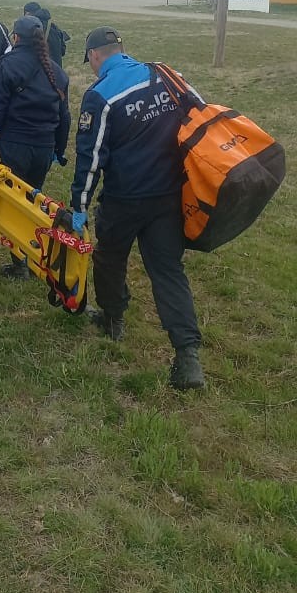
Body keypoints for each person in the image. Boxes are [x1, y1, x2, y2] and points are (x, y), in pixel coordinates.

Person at [70, 26, 205, 390]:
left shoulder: (100, 95)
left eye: (92, 61)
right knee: (167, 271)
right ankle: (188, 356)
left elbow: (91, 158)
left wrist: (78, 206)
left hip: (124, 200)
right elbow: (202, 116)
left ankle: (113, 319)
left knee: (110, 258)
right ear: (122, 49)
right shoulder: (166, 76)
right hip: (169, 196)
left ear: (96, 56)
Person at [0, 13, 70, 279]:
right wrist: (59, 149)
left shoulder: (6, 65)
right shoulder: (56, 71)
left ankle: (21, 262)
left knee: (13, 207)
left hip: (14, 145)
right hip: (43, 147)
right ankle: (35, 255)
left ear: (15, 37)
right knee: (34, 201)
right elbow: (64, 117)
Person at [23, 1, 70, 68]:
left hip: (41, 72)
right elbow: (62, 51)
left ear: (28, 14)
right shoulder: (55, 28)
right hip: (57, 72)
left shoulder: (32, 29)